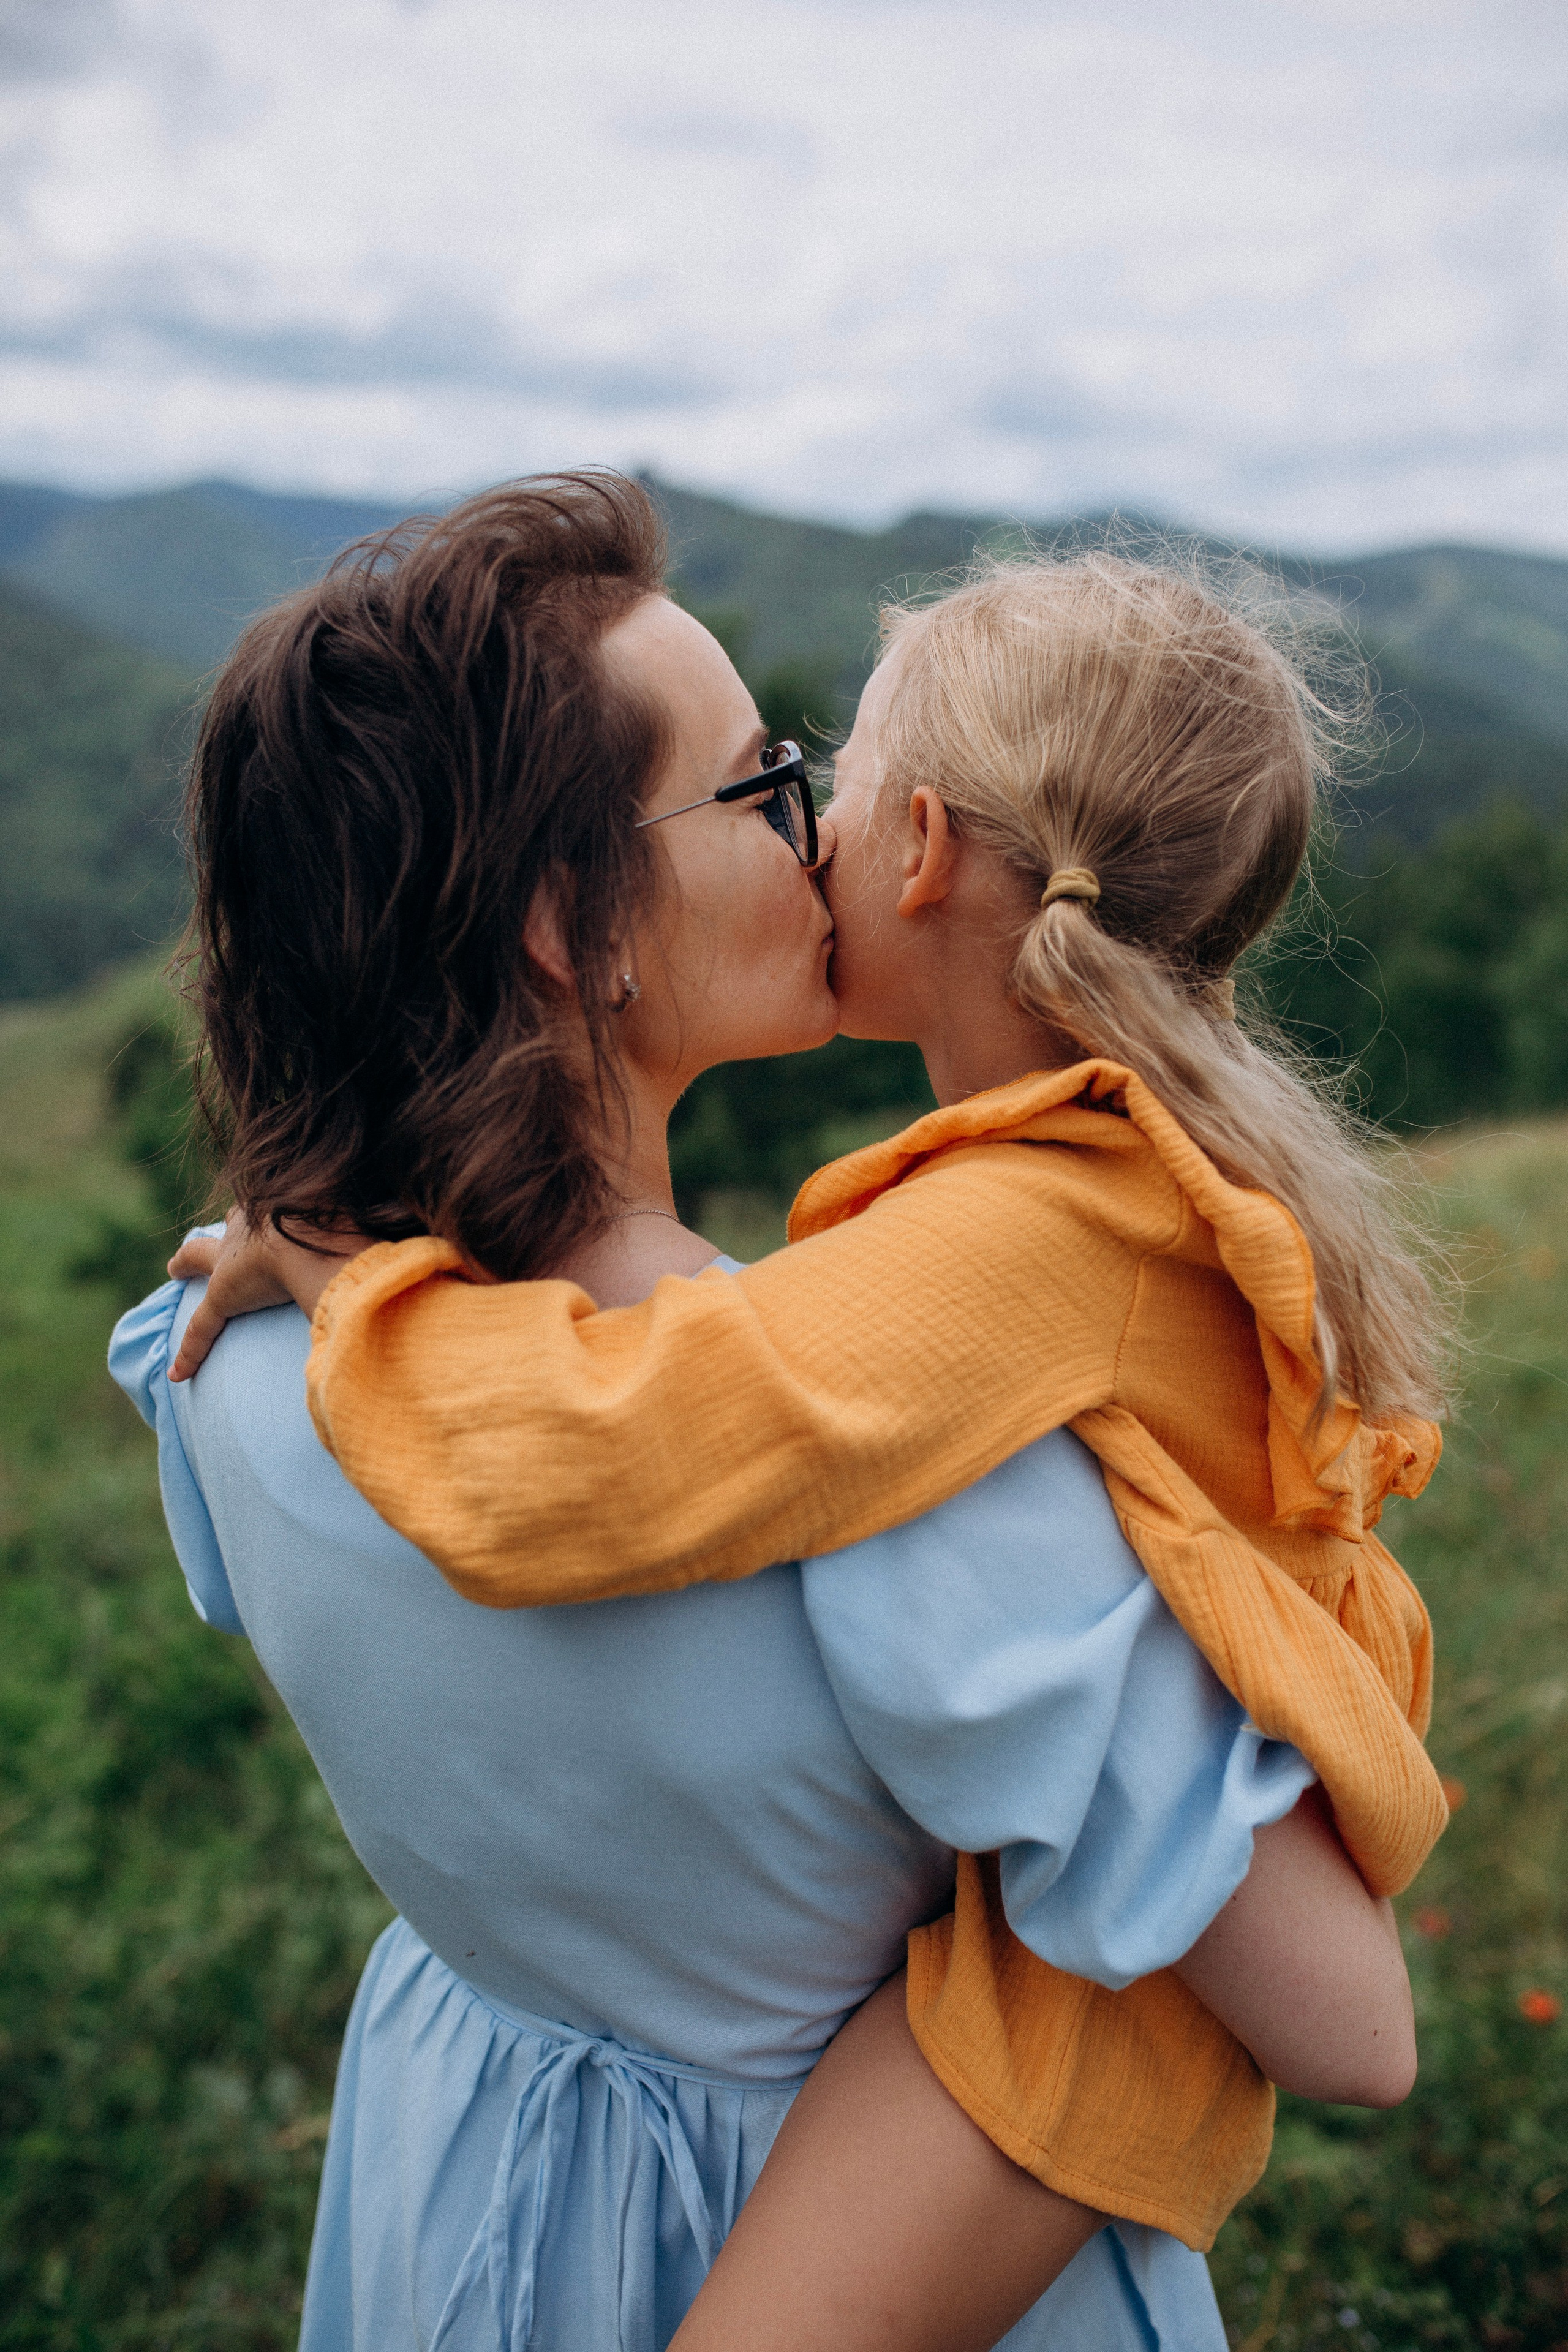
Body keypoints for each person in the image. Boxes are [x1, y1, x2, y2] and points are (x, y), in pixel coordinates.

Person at [128, 475, 1418, 2352]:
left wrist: (340, 1275)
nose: (812, 827)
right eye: (757, 787)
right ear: (573, 926)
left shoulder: (216, 1367)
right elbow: (1352, 2022)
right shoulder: (913, 1493)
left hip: (462, 2198)